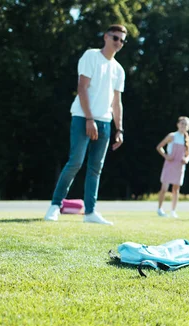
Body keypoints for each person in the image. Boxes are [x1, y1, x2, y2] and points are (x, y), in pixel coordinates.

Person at [44, 24, 127, 225]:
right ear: (106, 37)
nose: (119, 43)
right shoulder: (90, 56)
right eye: (115, 38)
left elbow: (117, 102)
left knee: (96, 168)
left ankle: (90, 213)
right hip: (83, 117)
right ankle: (55, 206)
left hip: (105, 122)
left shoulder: (119, 70)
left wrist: (120, 129)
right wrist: (89, 119)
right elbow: (82, 88)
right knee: (75, 162)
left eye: (122, 40)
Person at [155, 116, 189, 218]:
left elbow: (188, 154)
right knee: (164, 188)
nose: (183, 126)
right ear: (178, 124)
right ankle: (160, 209)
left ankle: (173, 210)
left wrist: (186, 159)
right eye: (182, 123)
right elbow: (159, 147)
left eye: (186, 124)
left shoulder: (187, 139)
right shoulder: (172, 136)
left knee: (176, 189)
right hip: (170, 164)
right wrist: (166, 156)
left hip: (180, 166)